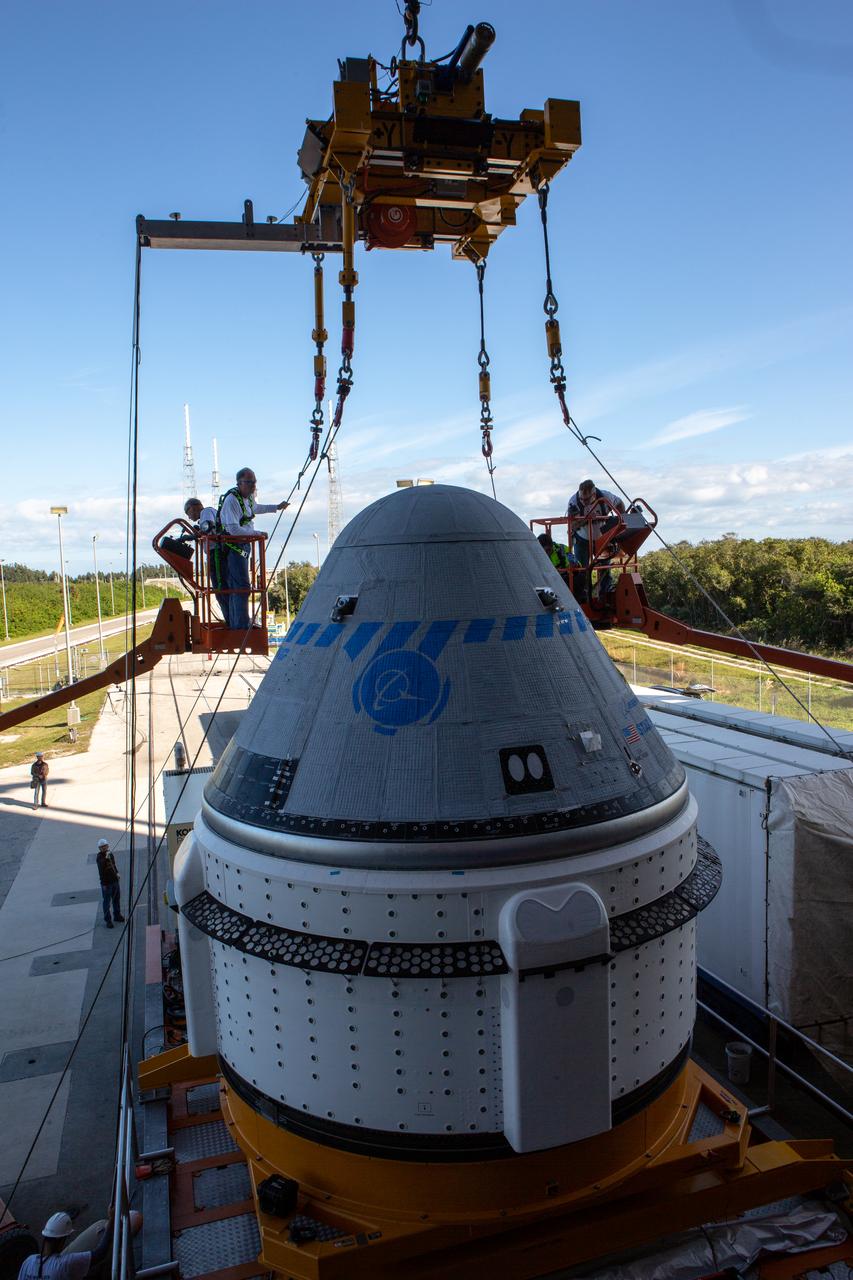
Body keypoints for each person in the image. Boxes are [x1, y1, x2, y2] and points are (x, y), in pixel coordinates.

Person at [218, 468, 289, 631]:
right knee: (241, 586)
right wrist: (257, 534)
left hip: (242, 545)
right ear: (239, 483)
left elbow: (256, 508)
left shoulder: (248, 498)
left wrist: (276, 507)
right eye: (249, 482)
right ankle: (240, 625)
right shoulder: (231, 501)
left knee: (241, 586)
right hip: (233, 546)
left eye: (254, 482)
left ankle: (240, 622)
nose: (253, 486)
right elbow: (233, 530)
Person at [16, 1207, 120, 1279]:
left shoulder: (28, 1262)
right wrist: (112, 1219)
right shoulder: (63, 1264)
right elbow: (100, 1253)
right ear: (61, 1240)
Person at [183, 497, 229, 620]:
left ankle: (230, 620)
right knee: (220, 588)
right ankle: (230, 618)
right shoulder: (209, 513)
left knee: (220, 588)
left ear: (192, 508)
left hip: (217, 553)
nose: (189, 517)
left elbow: (208, 530)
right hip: (216, 553)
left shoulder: (206, 512)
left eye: (188, 513)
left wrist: (192, 536)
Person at [96, 839, 124, 929]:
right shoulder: (99, 857)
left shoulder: (110, 854)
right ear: (100, 848)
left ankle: (117, 915)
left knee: (116, 899)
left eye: (105, 846)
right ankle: (108, 920)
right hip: (106, 884)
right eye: (102, 847)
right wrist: (105, 858)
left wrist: (117, 872)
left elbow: (113, 865)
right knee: (107, 902)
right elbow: (101, 867)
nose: (104, 848)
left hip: (114, 880)